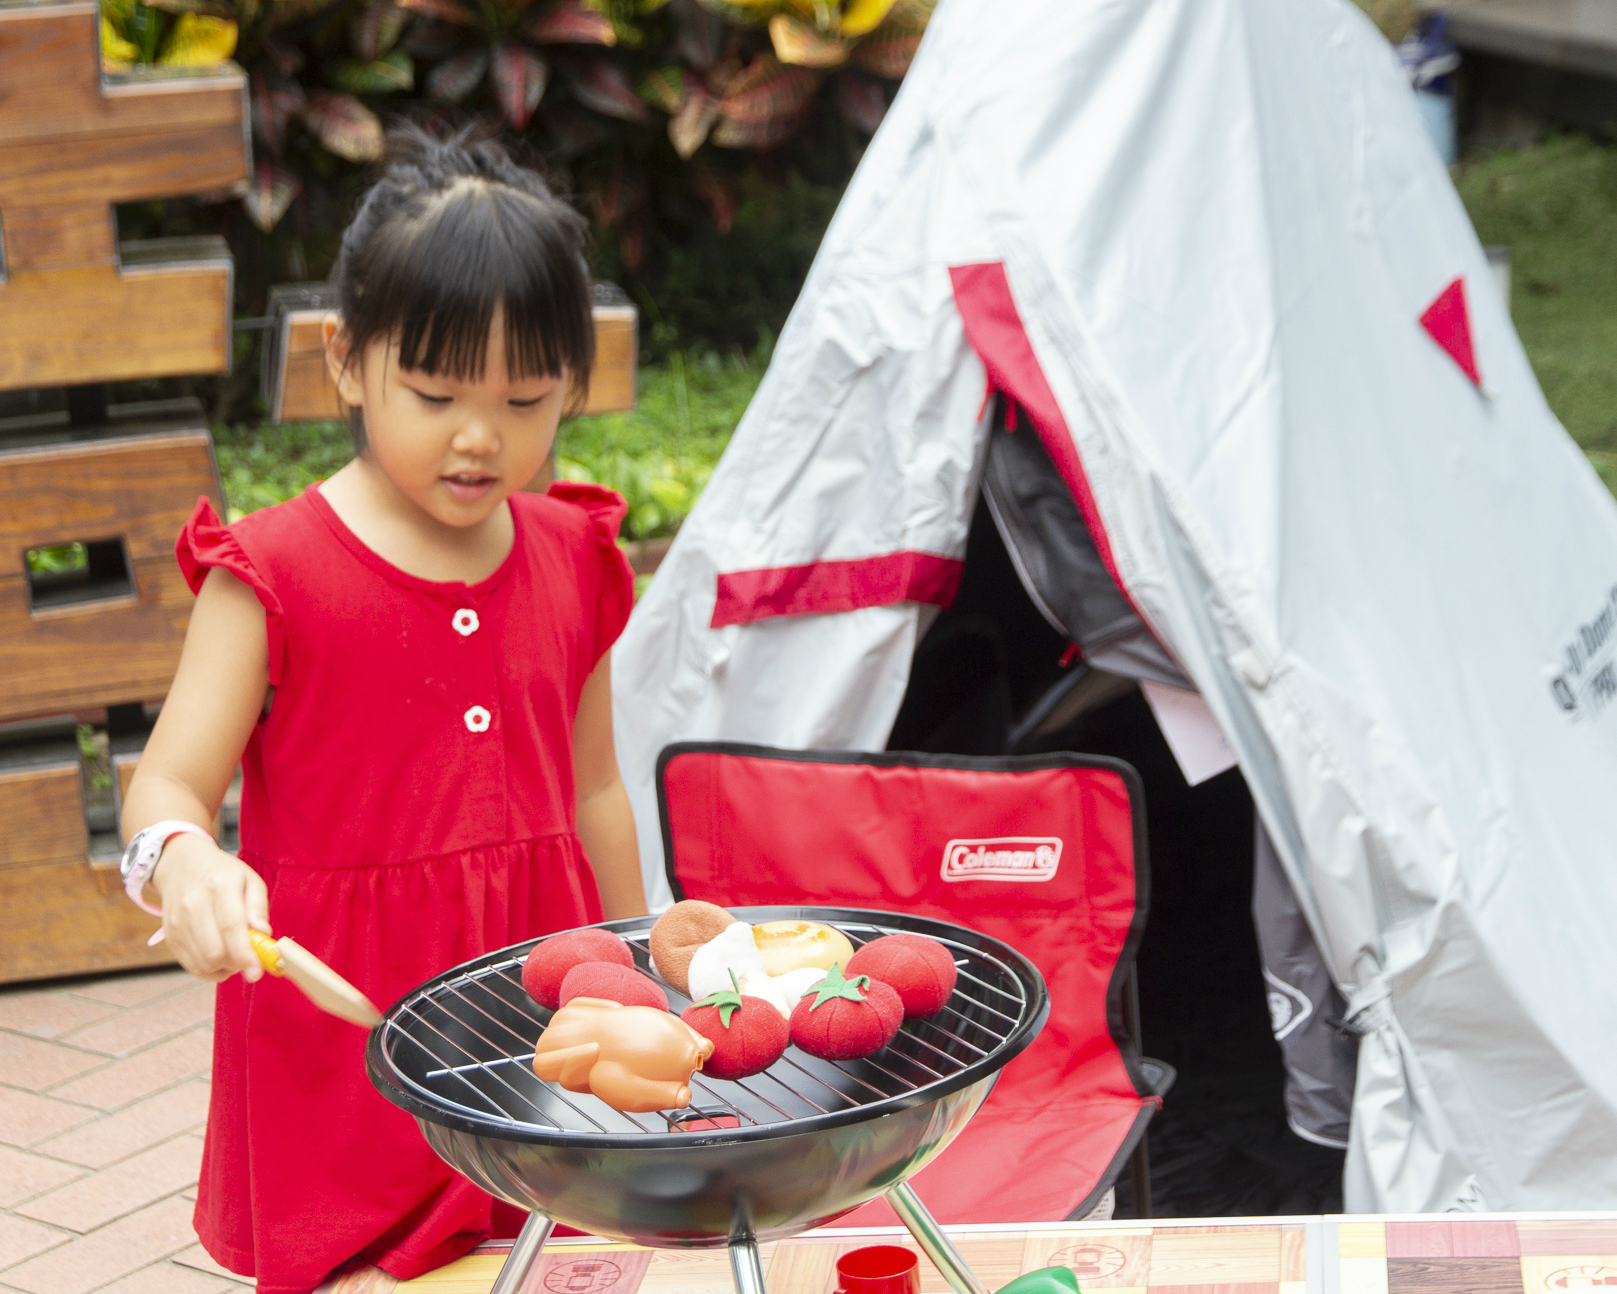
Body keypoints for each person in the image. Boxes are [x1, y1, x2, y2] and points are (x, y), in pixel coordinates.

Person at [119, 125, 648, 1294]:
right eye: (435, 391)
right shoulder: (270, 574)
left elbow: (596, 785)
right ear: (347, 361)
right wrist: (187, 865)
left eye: (525, 396)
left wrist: (643, 975)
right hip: (345, 1049)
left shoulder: (575, 556)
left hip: (544, 1014)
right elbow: (164, 788)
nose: (480, 435)